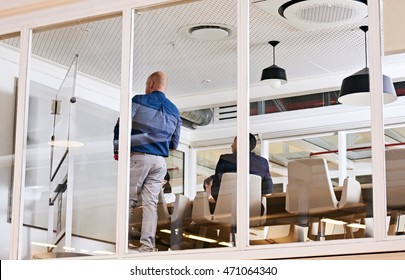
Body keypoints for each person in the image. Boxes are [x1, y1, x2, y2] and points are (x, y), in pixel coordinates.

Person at [113, 71, 182, 252]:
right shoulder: (174, 110)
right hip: (160, 163)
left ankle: (122, 244)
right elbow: (174, 143)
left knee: (128, 200)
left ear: (151, 83)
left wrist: (117, 150)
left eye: (146, 84)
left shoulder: (139, 100)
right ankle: (147, 247)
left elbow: (122, 126)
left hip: (139, 157)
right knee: (150, 204)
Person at [211, 133, 273, 213]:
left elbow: (215, 189)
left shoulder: (224, 159)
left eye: (234, 142)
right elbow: (268, 190)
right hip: (253, 209)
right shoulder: (262, 162)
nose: (231, 145)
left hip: (226, 209)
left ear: (240, 142)